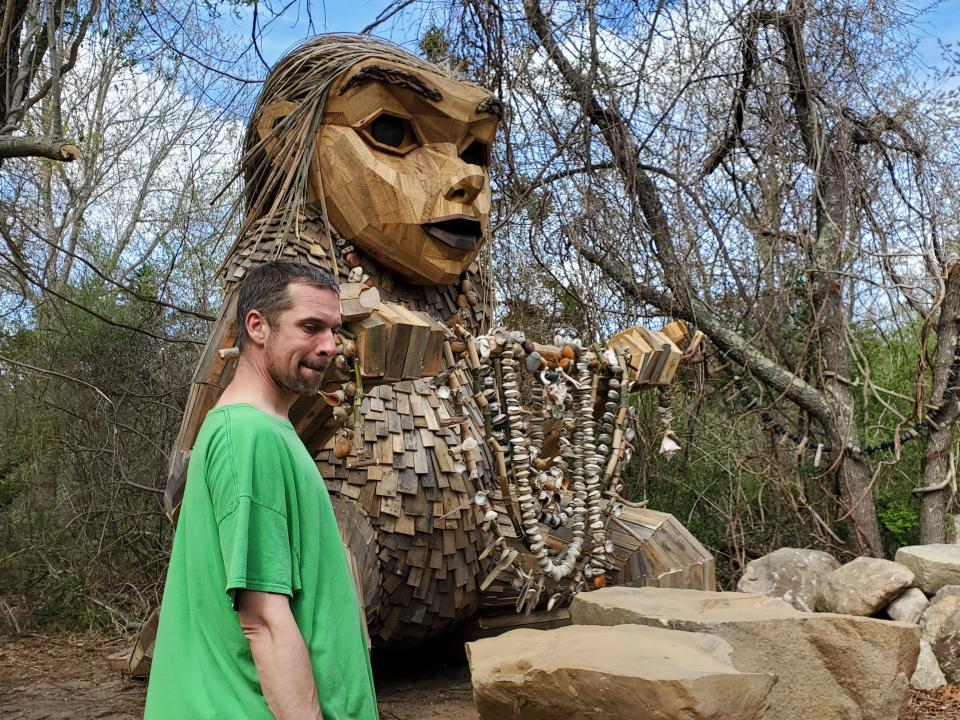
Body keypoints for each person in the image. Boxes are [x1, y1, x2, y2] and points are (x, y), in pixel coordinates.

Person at [144, 260, 378, 720]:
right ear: (257, 326)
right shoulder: (248, 437)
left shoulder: (266, 429)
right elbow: (264, 621)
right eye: (310, 327)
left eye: (334, 330)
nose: (329, 346)